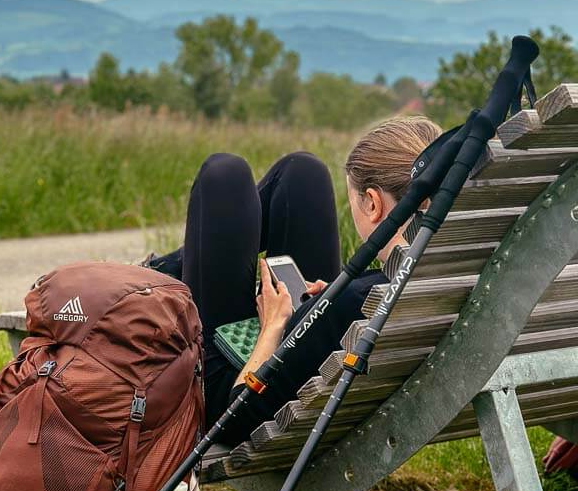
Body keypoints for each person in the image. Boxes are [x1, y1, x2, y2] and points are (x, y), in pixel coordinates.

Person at [149, 115, 444, 447]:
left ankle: (158, 272)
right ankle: (162, 269)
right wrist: (319, 306)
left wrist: (274, 324)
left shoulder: (358, 297)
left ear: (373, 204)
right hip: (320, 371)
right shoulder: (441, 275)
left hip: (233, 396)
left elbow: (232, 419)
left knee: (224, 175)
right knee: (303, 172)